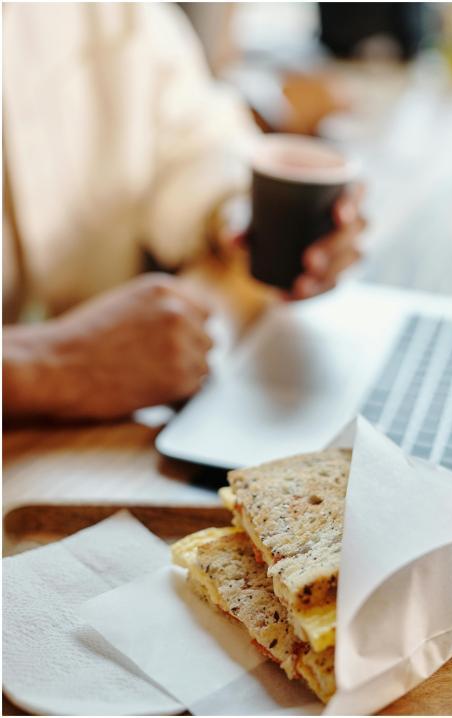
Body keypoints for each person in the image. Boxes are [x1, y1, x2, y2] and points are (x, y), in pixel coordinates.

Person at [3, 3, 365, 421]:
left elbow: (195, 143)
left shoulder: (119, 13)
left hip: (106, 432)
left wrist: (247, 216)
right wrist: (46, 366)